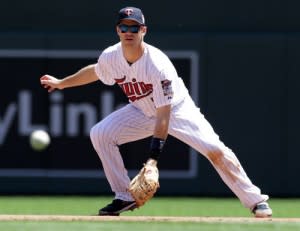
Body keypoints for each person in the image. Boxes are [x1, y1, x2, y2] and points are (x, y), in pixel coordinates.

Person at [40, 6, 272, 217]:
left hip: (176, 110)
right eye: (124, 26)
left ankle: (255, 200)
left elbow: (163, 115)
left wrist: (152, 160)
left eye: (134, 27)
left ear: (144, 30)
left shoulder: (157, 65)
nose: (128, 31)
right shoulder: (111, 56)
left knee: (215, 151)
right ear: (117, 30)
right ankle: (125, 196)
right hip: (141, 110)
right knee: (100, 133)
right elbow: (96, 71)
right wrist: (62, 83)